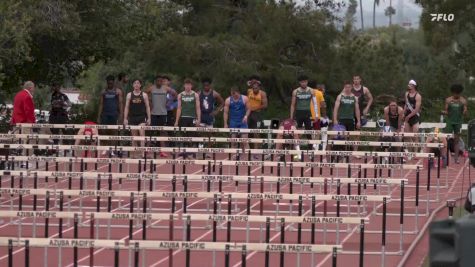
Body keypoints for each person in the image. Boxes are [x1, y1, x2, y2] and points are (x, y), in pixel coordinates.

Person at [146, 75, 176, 158]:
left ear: (162, 81)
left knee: (162, 131)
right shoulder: (152, 88)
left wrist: (169, 102)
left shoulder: (165, 88)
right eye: (157, 81)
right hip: (153, 113)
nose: (159, 82)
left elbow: (175, 94)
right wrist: (149, 101)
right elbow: (145, 94)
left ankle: (162, 150)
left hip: (163, 113)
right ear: (155, 81)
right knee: (151, 131)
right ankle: (147, 149)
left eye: (160, 81)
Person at [124, 79, 151, 158]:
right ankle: (134, 154)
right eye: (135, 83)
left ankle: (142, 153)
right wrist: (125, 118)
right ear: (133, 85)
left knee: (142, 134)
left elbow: (147, 107)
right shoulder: (129, 95)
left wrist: (149, 118)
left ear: (140, 85)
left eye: (138, 83)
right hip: (132, 118)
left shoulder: (144, 95)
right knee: (134, 136)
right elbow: (126, 107)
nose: (136, 84)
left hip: (141, 117)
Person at [443, 84, 467, 164]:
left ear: (460, 93)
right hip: (450, 121)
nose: (456, 95)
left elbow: (465, 111)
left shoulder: (463, 101)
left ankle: (456, 158)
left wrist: (464, 112)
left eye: (458, 93)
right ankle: (445, 156)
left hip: (458, 122)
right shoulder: (448, 100)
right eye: (455, 93)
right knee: (446, 139)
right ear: (452, 92)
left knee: (456, 140)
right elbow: (446, 111)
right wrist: (444, 112)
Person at [247, 75, 268, 153]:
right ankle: (249, 149)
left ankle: (256, 149)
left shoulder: (262, 94)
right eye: (254, 88)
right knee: (248, 131)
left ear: (259, 87)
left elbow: (265, 105)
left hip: (257, 114)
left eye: (256, 88)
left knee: (257, 131)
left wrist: (255, 108)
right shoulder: (249, 91)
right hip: (249, 113)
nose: (255, 89)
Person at [403, 79, 422, 152]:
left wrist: (409, 116)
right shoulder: (406, 94)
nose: (408, 86)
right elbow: (406, 105)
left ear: (413, 86)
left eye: (410, 85)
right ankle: (410, 151)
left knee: (415, 136)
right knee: (408, 136)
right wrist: (404, 114)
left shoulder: (418, 96)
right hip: (408, 116)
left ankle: (416, 151)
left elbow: (417, 109)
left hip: (415, 117)